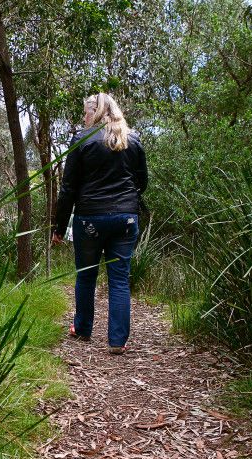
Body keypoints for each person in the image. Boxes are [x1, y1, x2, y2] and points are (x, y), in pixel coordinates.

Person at [52, 92, 148, 355]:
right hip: (125, 218)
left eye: (86, 112)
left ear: (95, 112)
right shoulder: (133, 138)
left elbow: (68, 189)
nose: (84, 117)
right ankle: (117, 341)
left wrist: (59, 228)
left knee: (86, 275)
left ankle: (82, 329)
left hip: (89, 218)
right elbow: (142, 182)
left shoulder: (81, 140)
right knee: (119, 279)